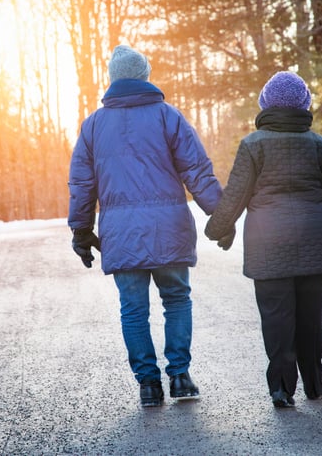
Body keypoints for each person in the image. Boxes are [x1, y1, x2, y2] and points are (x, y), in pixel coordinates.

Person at [68, 45, 224, 407]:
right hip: (168, 228)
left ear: (113, 79)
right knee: (176, 299)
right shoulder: (168, 116)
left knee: (134, 309)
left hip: (121, 235)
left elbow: (81, 184)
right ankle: (181, 377)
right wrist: (220, 212)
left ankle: (149, 385)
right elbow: (196, 170)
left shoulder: (92, 126)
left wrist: (81, 229)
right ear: (144, 76)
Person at [204, 71, 322, 408]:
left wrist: (217, 228)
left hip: (269, 244)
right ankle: (314, 384)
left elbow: (236, 194)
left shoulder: (253, 144)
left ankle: (281, 387)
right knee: (311, 318)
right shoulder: (320, 145)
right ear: (305, 105)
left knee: (277, 317)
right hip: (315, 240)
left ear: (265, 105)